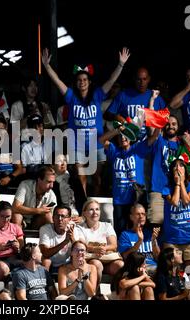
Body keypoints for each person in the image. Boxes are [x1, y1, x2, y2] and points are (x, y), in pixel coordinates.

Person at [42, 47, 130, 196]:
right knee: (81, 176)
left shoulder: (97, 95)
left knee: (97, 179)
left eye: (84, 80)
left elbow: (111, 80)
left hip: (97, 143)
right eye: (79, 80)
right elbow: (57, 81)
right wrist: (46, 65)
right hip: (77, 145)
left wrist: (121, 64)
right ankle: (83, 204)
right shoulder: (71, 97)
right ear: (76, 83)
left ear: (89, 82)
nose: (82, 82)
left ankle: (94, 204)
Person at [99, 120, 159, 236]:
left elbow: (155, 136)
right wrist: (117, 130)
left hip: (135, 198)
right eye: (120, 137)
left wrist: (159, 122)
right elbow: (101, 140)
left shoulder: (137, 148)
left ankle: (139, 251)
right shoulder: (114, 151)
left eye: (125, 135)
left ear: (131, 137)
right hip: (119, 200)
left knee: (138, 229)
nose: (122, 138)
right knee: (120, 232)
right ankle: (124, 253)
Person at [104, 67, 166, 139]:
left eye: (144, 79)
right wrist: (117, 117)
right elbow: (106, 115)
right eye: (139, 79)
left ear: (149, 79)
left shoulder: (156, 97)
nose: (141, 83)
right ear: (134, 79)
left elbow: (166, 119)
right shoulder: (123, 95)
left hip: (150, 142)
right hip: (128, 141)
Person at [162, 159, 190, 266]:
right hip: (172, 238)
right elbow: (174, 202)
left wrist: (182, 183)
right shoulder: (166, 189)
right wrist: (178, 184)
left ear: (185, 170)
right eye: (175, 166)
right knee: (171, 271)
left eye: (181, 166)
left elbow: (187, 200)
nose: (178, 168)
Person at [78, 199, 124, 287]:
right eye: (91, 209)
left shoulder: (107, 226)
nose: (95, 212)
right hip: (90, 259)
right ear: (84, 213)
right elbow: (81, 245)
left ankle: (117, 292)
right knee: (97, 264)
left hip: (107, 258)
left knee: (120, 265)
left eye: (97, 209)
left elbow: (113, 245)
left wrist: (103, 248)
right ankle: (96, 292)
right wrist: (96, 249)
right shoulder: (80, 228)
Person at [148, 115, 182, 225]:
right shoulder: (159, 141)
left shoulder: (182, 144)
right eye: (168, 124)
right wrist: (152, 100)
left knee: (175, 227)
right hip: (158, 190)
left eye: (174, 124)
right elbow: (151, 124)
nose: (170, 126)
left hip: (176, 191)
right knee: (156, 226)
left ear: (178, 127)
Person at [118, 204, 160, 274]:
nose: (141, 216)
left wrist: (154, 240)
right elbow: (125, 256)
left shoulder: (150, 234)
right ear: (131, 217)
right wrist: (139, 241)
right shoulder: (125, 234)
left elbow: (158, 256)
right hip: (136, 268)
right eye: (138, 214)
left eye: (143, 214)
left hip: (153, 266)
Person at [39, 205, 79, 271]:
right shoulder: (45, 229)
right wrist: (65, 242)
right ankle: (44, 281)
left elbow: (79, 250)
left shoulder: (73, 229)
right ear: (52, 218)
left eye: (63, 216)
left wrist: (72, 239)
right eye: (57, 216)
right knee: (46, 261)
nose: (60, 219)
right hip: (51, 262)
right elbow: (45, 253)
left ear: (69, 219)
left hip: (67, 263)